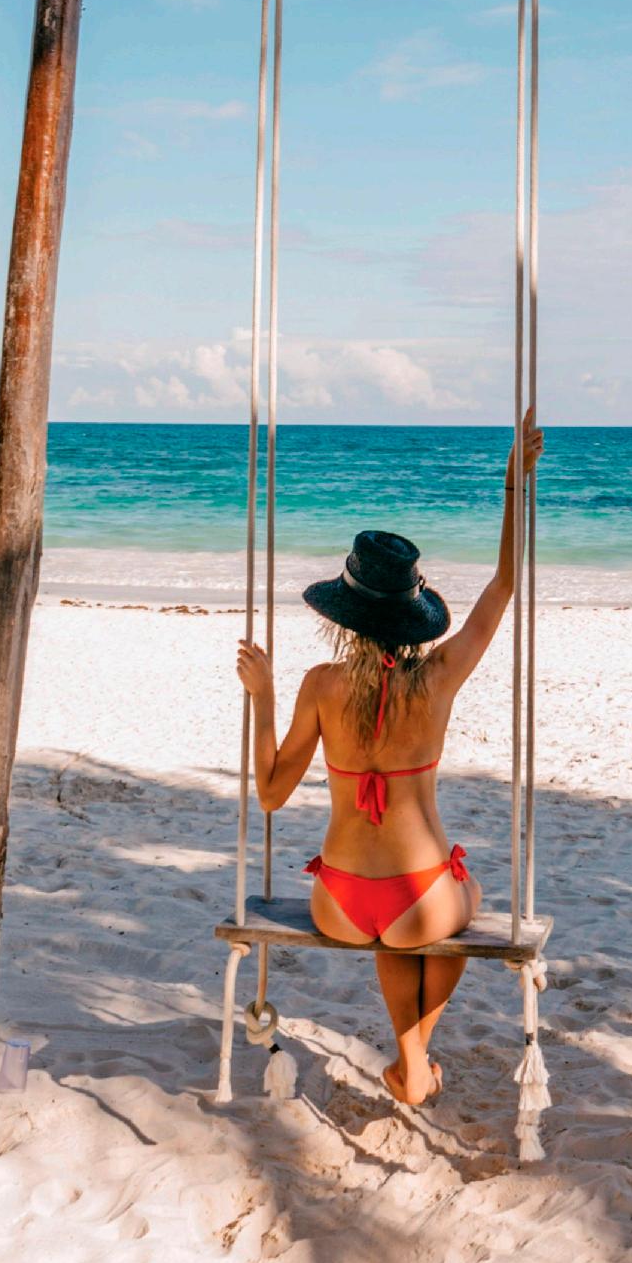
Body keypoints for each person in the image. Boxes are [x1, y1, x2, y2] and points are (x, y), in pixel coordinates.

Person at [236, 417, 544, 1107]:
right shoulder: (437, 679)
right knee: (463, 903)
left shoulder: (319, 685)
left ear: (345, 614)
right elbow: (502, 587)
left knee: (390, 936)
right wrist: (512, 483)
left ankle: (412, 1065)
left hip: (338, 903)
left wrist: (264, 699)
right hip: (421, 899)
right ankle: (413, 1059)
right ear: (412, 614)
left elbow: (271, 795)